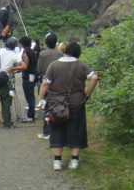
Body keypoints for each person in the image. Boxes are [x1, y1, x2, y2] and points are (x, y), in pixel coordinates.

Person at [37, 42, 99, 171]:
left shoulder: (54, 65)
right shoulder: (82, 65)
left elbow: (45, 83)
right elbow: (94, 78)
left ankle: (57, 162)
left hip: (56, 104)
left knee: (57, 130)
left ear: (64, 51)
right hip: (76, 103)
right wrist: (87, 94)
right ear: (78, 53)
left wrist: (41, 99)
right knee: (76, 130)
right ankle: (74, 161)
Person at [36, 33, 63, 139]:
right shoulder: (61, 53)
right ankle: (57, 131)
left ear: (46, 42)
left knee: (46, 106)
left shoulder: (43, 54)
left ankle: (46, 132)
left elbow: (39, 69)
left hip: (46, 81)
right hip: (60, 82)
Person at [19, 36, 38, 123]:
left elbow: (25, 66)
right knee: (32, 96)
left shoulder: (26, 53)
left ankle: (30, 115)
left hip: (27, 77)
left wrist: (16, 69)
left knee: (29, 96)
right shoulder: (32, 52)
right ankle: (31, 114)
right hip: (33, 76)